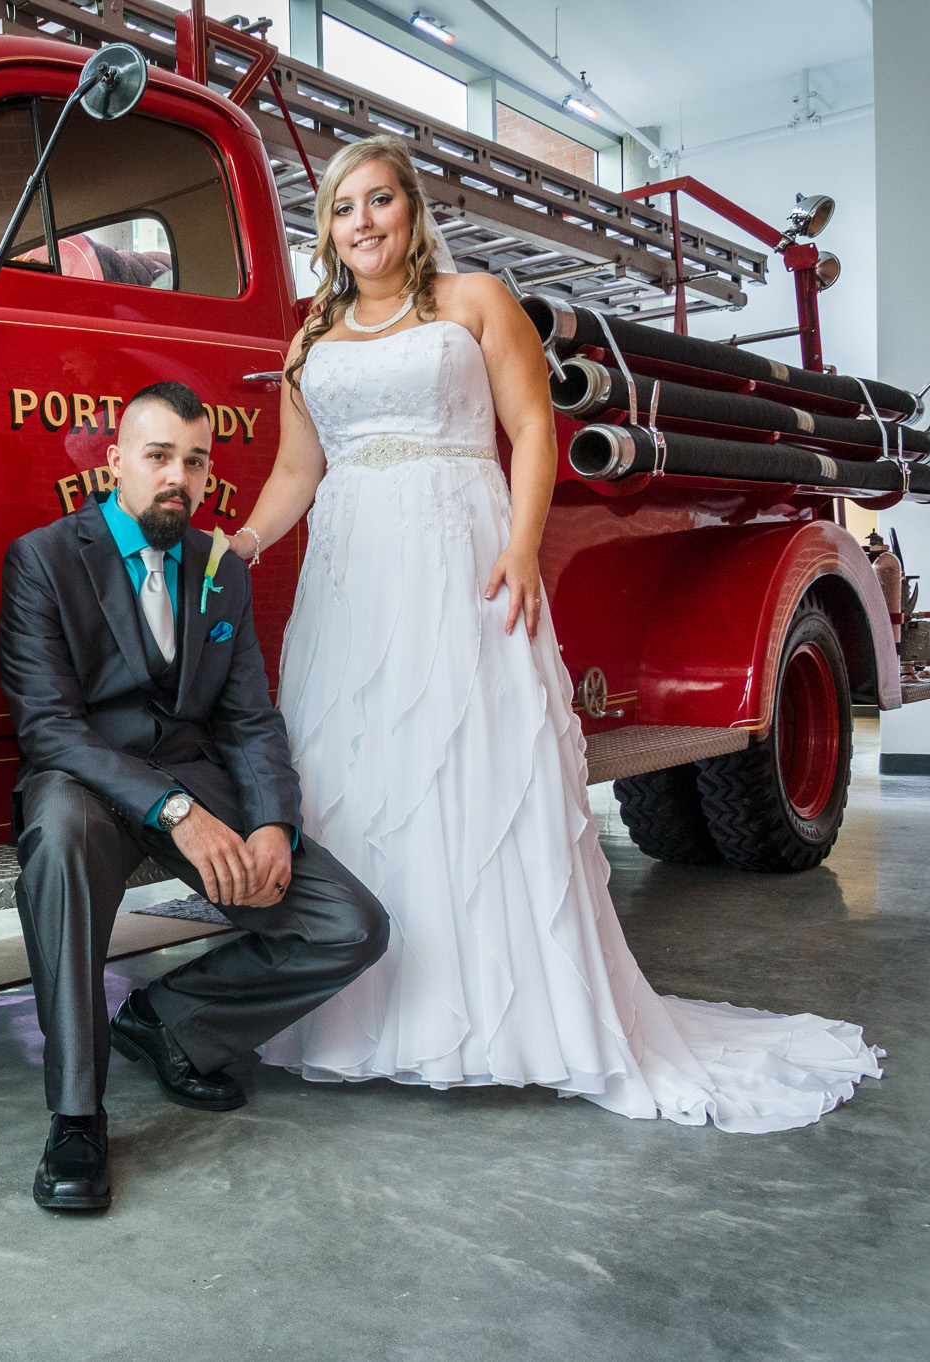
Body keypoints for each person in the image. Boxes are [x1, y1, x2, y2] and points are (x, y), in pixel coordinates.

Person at [234, 136, 884, 1132]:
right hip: (351, 573)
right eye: (340, 209)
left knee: (474, 769)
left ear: (408, 209)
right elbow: (294, 475)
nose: (361, 223)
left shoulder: (475, 300)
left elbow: (532, 428)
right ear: (323, 230)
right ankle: (359, 1017)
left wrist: (523, 546)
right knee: (362, 774)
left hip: (460, 552)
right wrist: (239, 543)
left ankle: (507, 1022)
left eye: (377, 202)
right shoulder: (307, 336)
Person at [0, 380, 389, 1211]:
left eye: (196, 462)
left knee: (351, 926)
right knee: (59, 838)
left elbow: (250, 719)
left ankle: (170, 1020)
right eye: (159, 456)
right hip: (88, 786)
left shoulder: (221, 571)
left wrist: (275, 825)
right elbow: (49, 729)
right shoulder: (44, 558)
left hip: (203, 785)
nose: (179, 476)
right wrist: (175, 811)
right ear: (116, 465)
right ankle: (75, 1116)